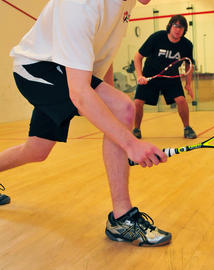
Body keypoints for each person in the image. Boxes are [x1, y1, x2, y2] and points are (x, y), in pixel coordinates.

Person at [1, 0, 172, 247]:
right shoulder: (81, 3)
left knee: (36, 151)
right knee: (124, 108)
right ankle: (121, 219)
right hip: (38, 69)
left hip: (66, 69)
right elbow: (80, 93)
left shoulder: (127, 2)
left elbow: (103, 54)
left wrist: (113, 109)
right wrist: (130, 143)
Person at [132, 15, 197, 139]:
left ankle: (187, 128)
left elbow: (189, 64)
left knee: (181, 100)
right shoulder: (157, 38)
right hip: (150, 75)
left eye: (181, 27)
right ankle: (136, 129)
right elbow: (138, 56)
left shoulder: (187, 45)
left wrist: (188, 84)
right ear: (169, 26)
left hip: (171, 77)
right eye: (176, 26)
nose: (178, 29)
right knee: (138, 102)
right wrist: (139, 75)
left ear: (184, 30)